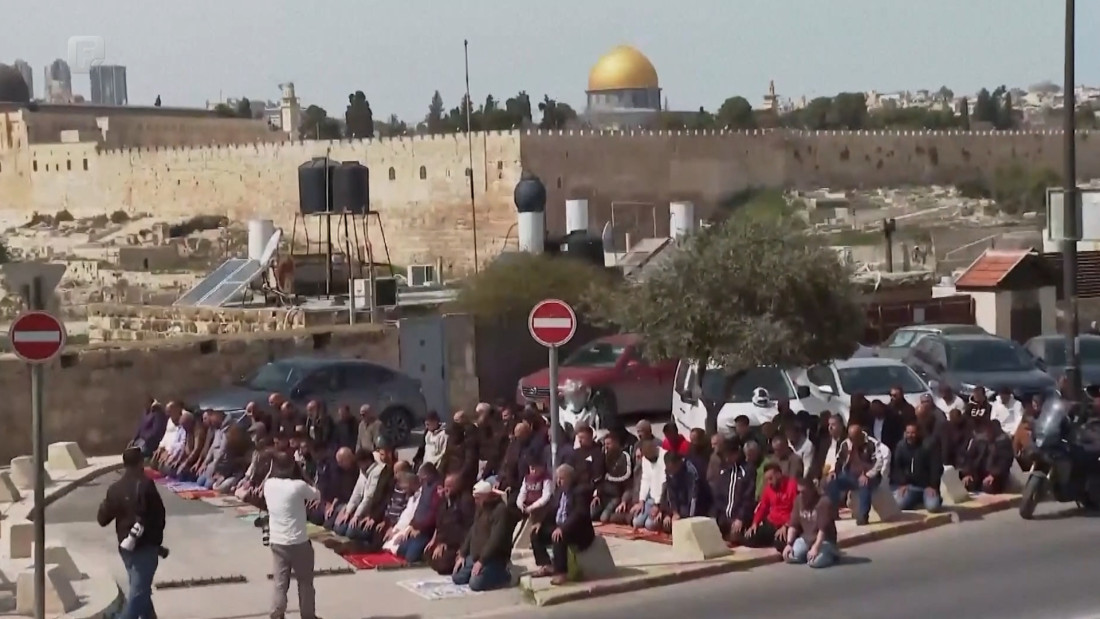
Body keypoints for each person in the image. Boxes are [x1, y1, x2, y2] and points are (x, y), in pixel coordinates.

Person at [97, 446, 166, 619]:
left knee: (140, 587)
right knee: (138, 594)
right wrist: (156, 542)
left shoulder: (115, 489)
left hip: (125, 549)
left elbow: (102, 520)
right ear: (141, 463)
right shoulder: (146, 485)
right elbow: (159, 515)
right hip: (145, 548)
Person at [263, 452, 320, 619]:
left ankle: (277, 613)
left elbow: (269, 477)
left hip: (278, 541)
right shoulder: (298, 486)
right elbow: (317, 494)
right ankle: (308, 615)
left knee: (280, 583)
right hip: (299, 541)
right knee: (305, 582)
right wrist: (303, 474)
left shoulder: (269, 484)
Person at [531, 464, 596, 585]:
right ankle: (547, 565)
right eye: (558, 478)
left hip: (577, 530)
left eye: (561, 478)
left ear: (570, 478)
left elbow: (579, 514)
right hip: (560, 526)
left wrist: (563, 528)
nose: (558, 481)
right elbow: (551, 509)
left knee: (559, 537)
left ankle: (561, 573)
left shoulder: (580, 491)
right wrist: (541, 523)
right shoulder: (560, 491)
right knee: (536, 533)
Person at [452, 481, 515, 591]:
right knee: (457, 577)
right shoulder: (481, 508)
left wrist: (482, 561)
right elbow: (473, 530)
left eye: (478, 498)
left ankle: (504, 575)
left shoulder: (500, 511)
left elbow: (496, 539)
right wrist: (463, 553)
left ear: (486, 496)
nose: (475, 501)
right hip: (475, 555)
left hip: (492, 558)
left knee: (475, 584)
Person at [826, 424, 890, 526]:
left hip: (870, 477)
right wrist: (834, 472)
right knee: (832, 483)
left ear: (860, 435)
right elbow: (839, 460)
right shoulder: (846, 444)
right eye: (851, 438)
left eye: (855, 439)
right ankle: (832, 512)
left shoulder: (871, 444)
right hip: (851, 476)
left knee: (863, 484)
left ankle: (863, 516)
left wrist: (868, 475)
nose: (853, 441)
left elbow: (878, 463)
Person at [783, 476, 839, 568]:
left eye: (804, 492)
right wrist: (789, 544)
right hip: (806, 539)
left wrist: (816, 547)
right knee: (789, 556)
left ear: (812, 490)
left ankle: (831, 555)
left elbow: (823, 530)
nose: (802, 495)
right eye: (799, 492)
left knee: (814, 563)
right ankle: (809, 554)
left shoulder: (823, 502)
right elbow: (793, 525)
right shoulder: (798, 500)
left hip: (824, 541)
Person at [426, 473, 475, 575]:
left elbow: (468, 528)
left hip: (458, 544)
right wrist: (440, 542)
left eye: (449, 486)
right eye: (445, 486)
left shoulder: (465, 501)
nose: (446, 489)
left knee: (442, 566)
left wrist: (461, 549)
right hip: (446, 542)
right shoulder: (444, 501)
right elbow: (440, 524)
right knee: (428, 552)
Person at [890, 422, 943, 512]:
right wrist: (902, 483)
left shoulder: (929, 445)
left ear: (918, 433)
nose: (910, 436)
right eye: (908, 433)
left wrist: (933, 485)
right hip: (910, 486)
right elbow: (898, 467)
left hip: (927, 487)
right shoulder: (901, 446)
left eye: (913, 433)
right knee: (898, 505)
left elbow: (936, 467)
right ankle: (916, 500)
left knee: (933, 507)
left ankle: (934, 499)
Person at [712, 438, 756, 543]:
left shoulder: (748, 470)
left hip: (739, 517)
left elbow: (748, 497)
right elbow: (719, 496)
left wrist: (740, 518)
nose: (727, 458)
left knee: (735, 537)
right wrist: (715, 516)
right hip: (724, 516)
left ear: (736, 453)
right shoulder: (725, 470)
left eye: (729, 455)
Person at [745, 462, 796, 552]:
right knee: (750, 538)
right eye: (767, 480)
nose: (769, 482)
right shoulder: (768, 489)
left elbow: (796, 510)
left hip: (786, 525)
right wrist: (755, 523)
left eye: (771, 479)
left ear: (779, 474)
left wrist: (786, 525)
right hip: (771, 523)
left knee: (780, 544)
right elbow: (763, 507)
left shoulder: (792, 486)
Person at [656, 450, 709, 532]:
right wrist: (673, 513)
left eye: (672, 469)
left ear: (678, 463)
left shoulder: (691, 473)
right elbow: (670, 494)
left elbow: (693, 498)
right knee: (665, 524)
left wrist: (689, 520)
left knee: (683, 527)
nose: (671, 472)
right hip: (678, 504)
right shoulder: (670, 471)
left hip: (693, 505)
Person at [592, 432, 632, 523]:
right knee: (591, 515)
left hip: (616, 495)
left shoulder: (624, 456)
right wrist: (597, 494)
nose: (606, 446)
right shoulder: (603, 457)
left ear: (616, 443)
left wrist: (610, 478)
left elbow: (627, 475)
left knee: (604, 519)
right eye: (605, 444)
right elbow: (599, 477)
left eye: (608, 444)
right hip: (603, 495)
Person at [629, 440, 666, 530]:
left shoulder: (665, 456)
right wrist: (641, 501)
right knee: (636, 522)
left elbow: (665, 483)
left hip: (663, 500)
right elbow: (645, 480)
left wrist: (658, 506)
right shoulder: (646, 459)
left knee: (650, 525)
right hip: (650, 498)